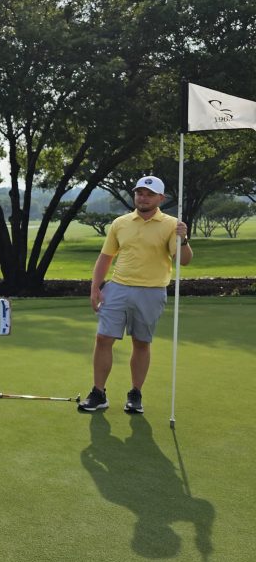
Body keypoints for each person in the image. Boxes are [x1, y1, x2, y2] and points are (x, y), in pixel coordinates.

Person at [78, 175, 193, 414]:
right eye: (140, 193)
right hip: (117, 288)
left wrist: (184, 240)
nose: (144, 197)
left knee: (141, 343)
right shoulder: (120, 223)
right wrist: (95, 287)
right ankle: (98, 393)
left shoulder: (172, 224)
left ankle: (135, 393)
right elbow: (106, 257)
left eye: (150, 194)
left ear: (161, 198)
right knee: (103, 339)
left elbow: (184, 261)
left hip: (151, 291)